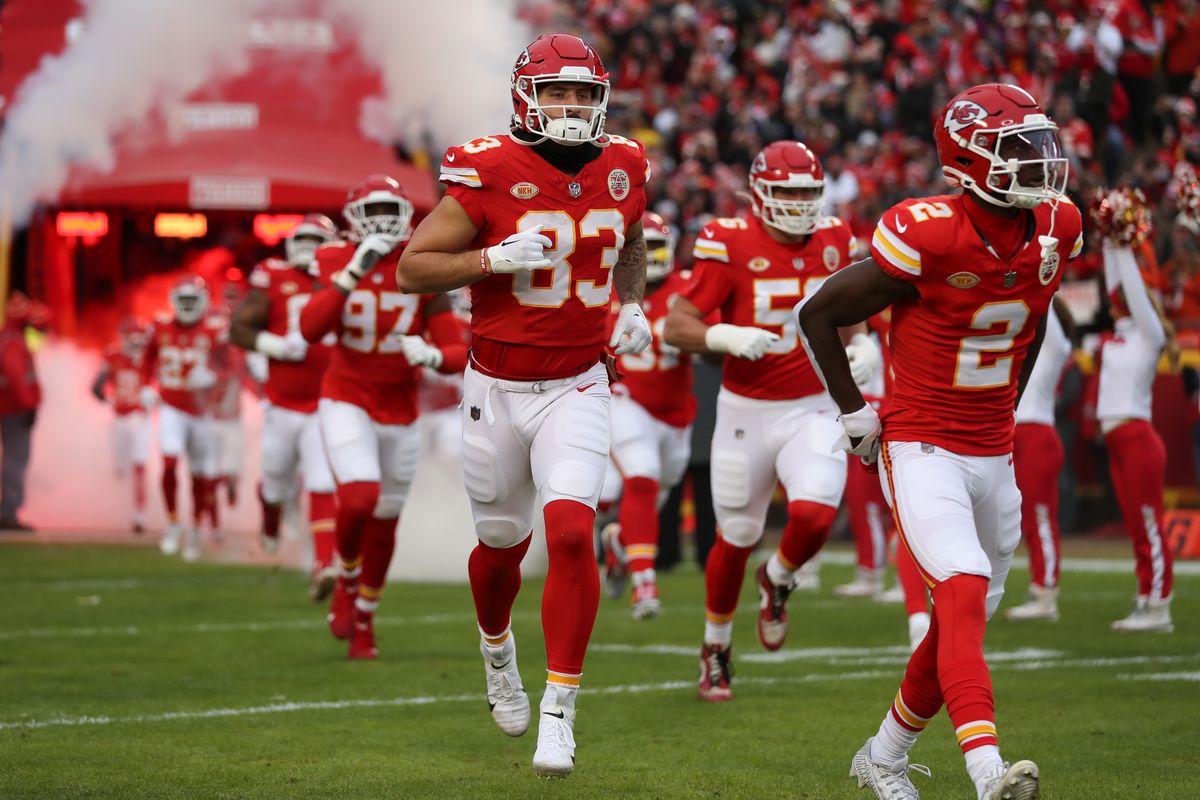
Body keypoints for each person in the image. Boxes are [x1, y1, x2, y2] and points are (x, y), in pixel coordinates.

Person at [797, 83, 1082, 800]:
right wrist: (854, 412)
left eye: (1041, 141)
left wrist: (1008, 410)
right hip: (922, 442)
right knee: (960, 584)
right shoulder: (928, 231)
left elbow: (1035, 310)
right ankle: (987, 770)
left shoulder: (1057, 224)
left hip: (994, 448)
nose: (1039, 160)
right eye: (1017, 147)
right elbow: (820, 313)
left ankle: (884, 755)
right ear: (965, 160)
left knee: (961, 622)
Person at [396, 33, 652, 777]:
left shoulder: (626, 163)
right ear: (526, 98)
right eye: (558, 93)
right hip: (494, 387)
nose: (572, 107)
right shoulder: (488, 165)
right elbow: (414, 267)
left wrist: (632, 303)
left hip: (578, 380)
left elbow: (629, 237)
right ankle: (496, 649)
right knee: (502, 548)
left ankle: (559, 712)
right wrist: (489, 259)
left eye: (584, 94)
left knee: (571, 532)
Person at [662, 140, 877, 702]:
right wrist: (722, 334)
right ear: (758, 194)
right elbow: (676, 323)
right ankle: (715, 647)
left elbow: (847, 312)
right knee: (735, 537)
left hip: (812, 405)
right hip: (745, 411)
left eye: (807, 193)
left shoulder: (834, 238)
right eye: (786, 192)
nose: (799, 204)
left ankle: (777, 579)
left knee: (814, 513)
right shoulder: (727, 240)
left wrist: (864, 342)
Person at [301, 176, 467, 660]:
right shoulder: (333, 258)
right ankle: (344, 580)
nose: (384, 220)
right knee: (357, 498)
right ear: (352, 215)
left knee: (385, 519)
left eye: (392, 209)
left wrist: (433, 357)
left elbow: (457, 347)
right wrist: (355, 269)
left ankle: (367, 619)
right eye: (373, 209)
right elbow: (311, 329)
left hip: (400, 405)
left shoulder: (418, 265)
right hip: (347, 393)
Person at [231, 214, 339, 600]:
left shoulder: (342, 277)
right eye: (303, 239)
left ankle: (324, 564)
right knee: (275, 484)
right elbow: (238, 329)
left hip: (327, 400)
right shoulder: (273, 277)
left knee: (323, 482)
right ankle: (271, 520)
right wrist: (275, 346)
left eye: (317, 240)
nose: (309, 248)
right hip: (281, 403)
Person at [601, 212, 695, 619]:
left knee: (657, 490)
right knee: (641, 476)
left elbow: (714, 333)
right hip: (625, 399)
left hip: (675, 413)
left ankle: (621, 544)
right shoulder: (603, 290)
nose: (650, 257)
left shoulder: (688, 289)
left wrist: (692, 338)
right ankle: (645, 583)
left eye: (657, 248)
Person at [1094, 188, 1180, 633]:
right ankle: (1145, 598)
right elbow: (1115, 285)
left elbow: (1129, 286)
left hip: (1139, 439)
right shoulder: (1120, 331)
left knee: (1148, 524)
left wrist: (1124, 241)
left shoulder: (1148, 333)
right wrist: (1108, 239)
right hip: (1118, 442)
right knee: (1134, 525)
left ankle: (1160, 606)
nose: (1114, 297)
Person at [142, 277, 228, 561]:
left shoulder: (214, 331)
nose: (188, 306)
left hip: (201, 411)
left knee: (200, 475)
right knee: (169, 462)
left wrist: (215, 378)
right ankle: (173, 523)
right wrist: (146, 386)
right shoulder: (160, 326)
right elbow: (147, 359)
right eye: (184, 301)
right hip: (171, 405)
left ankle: (195, 527)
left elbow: (231, 367)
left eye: (193, 301)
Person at [1006, 297, 1075, 622]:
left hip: (1038, 437)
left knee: (1041, 517)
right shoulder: (1027, 346)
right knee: (1023, 520)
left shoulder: (1055, 345)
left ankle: (1046, 593)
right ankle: (1039, 588)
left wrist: (1041, 281)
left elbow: (1043, 301)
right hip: (1017, 434)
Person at [92, 317, 154, 533]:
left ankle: (139, 514)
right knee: (120, 469)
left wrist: (155, 396)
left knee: (139, 464)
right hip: (119, 419)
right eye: (132, 338)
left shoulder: (151, 359)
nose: (136, 344)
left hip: (141, 419)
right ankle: (115, 508)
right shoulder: (112, 356)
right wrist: (102, 394)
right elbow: (96, 386)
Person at [0, 293, 43, 531]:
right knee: (15, 460)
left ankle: (7, 511)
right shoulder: (14, 341)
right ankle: (9, 514)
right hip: (14, 409)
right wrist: (28, 405)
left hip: (10, 407)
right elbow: (16, 375)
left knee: (12, 459)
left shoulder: (7, 337)